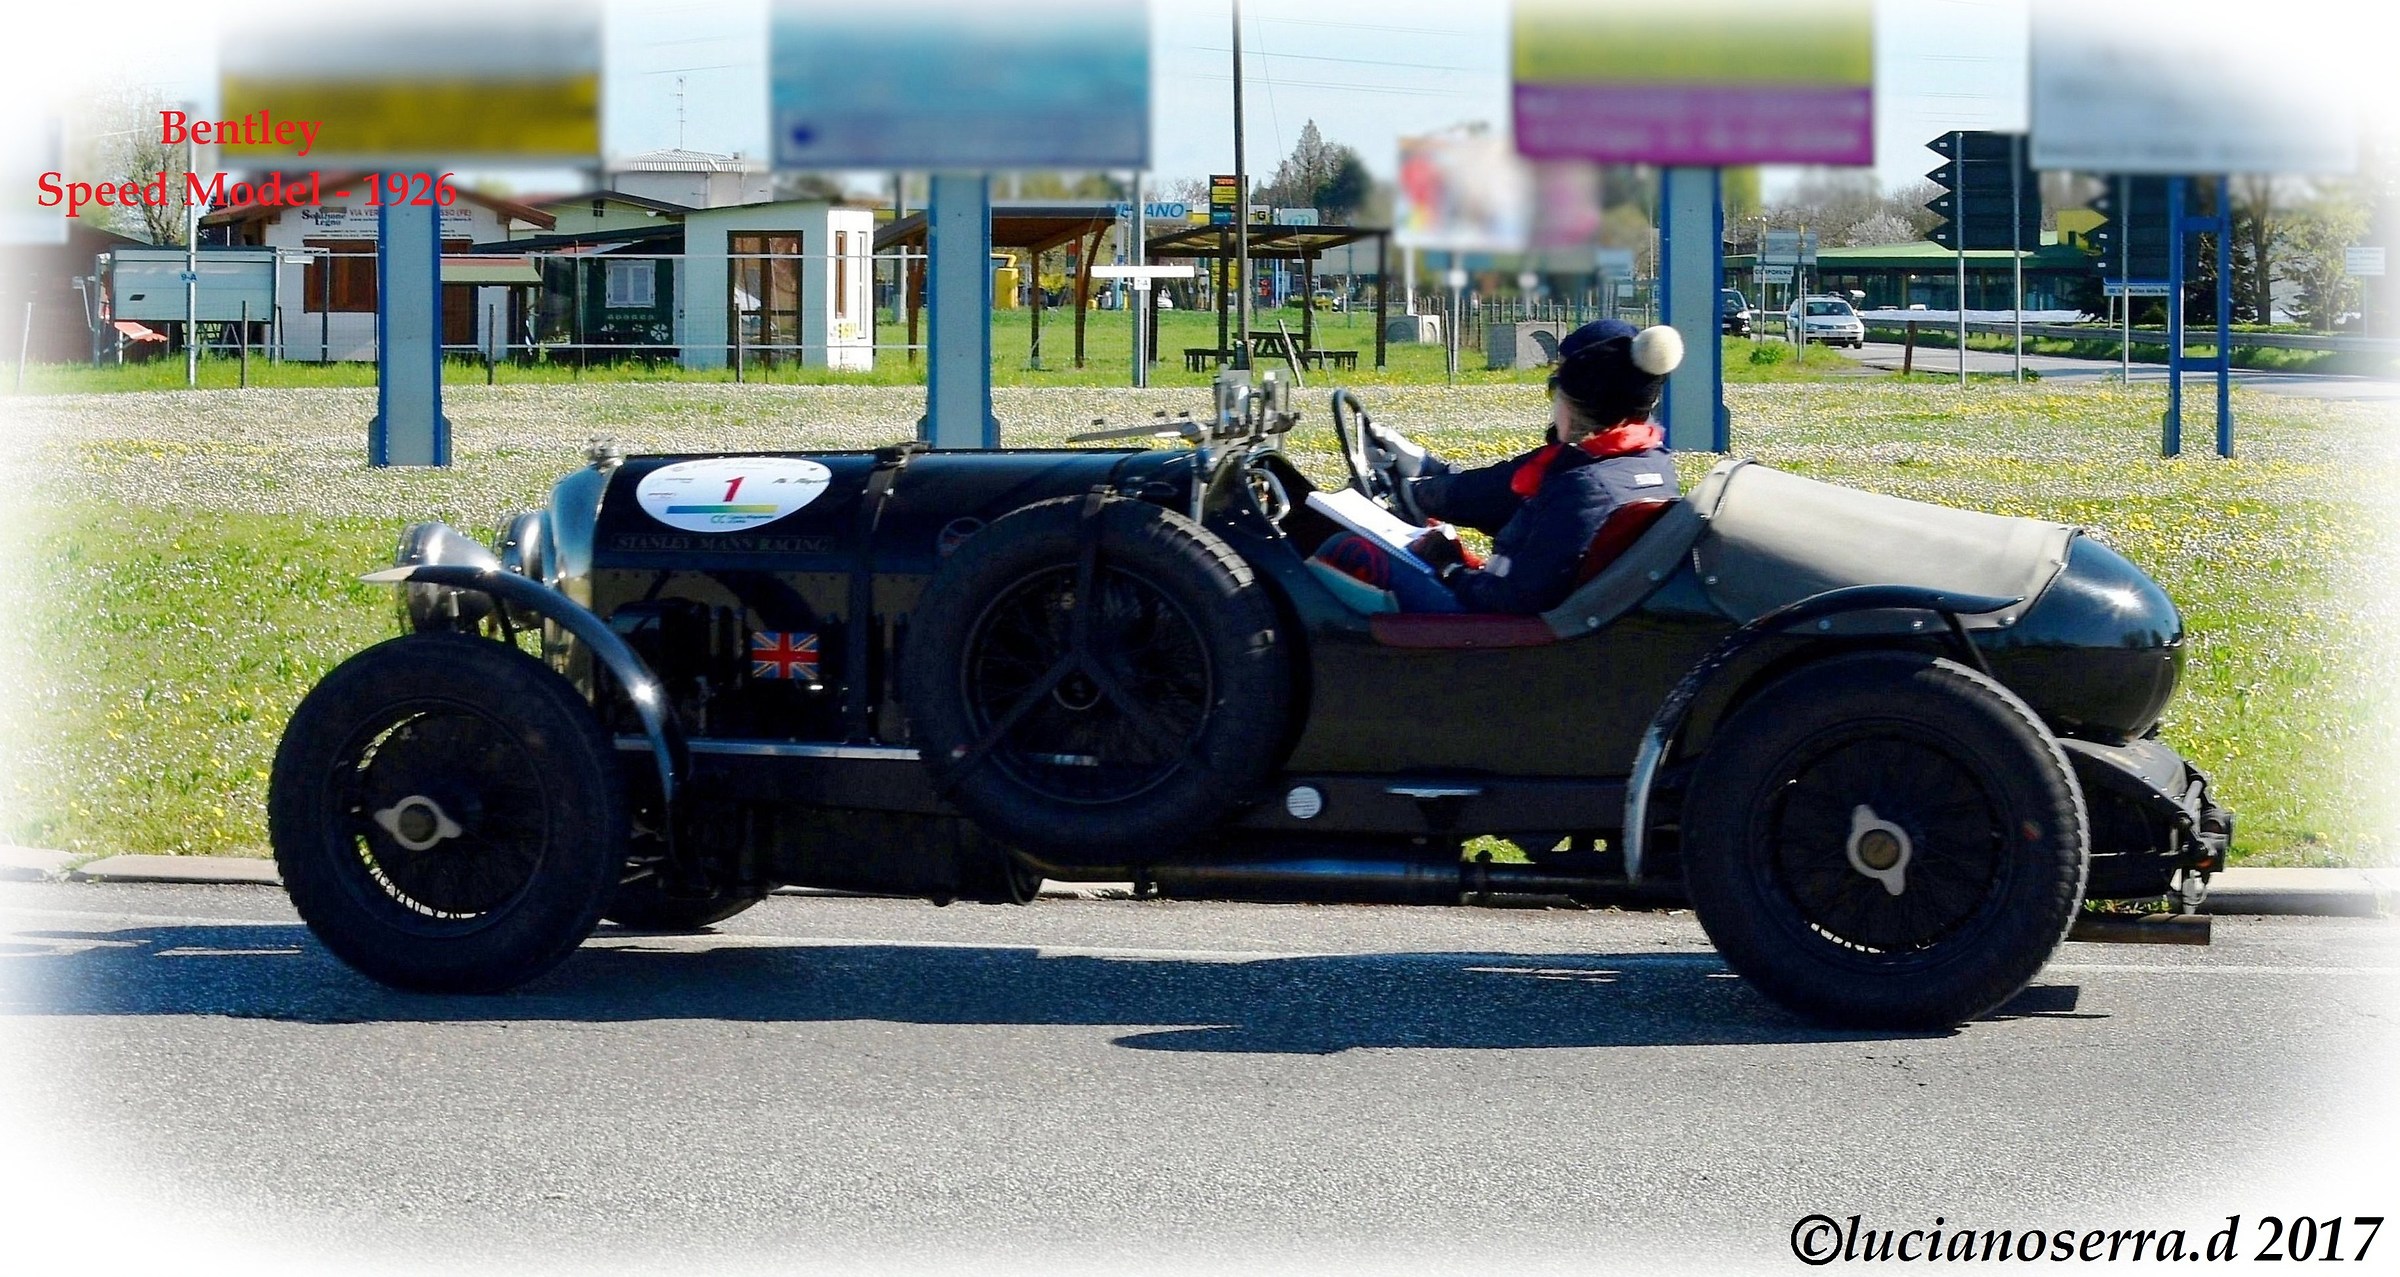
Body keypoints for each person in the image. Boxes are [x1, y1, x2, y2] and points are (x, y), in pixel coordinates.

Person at [1315, 318, 1685, 615]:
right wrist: (1426, 472)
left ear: (1571, 403)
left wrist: (1451, 569)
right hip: (1530, 609)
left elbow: (1516, 598)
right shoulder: (1644, 463)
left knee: (1343, 550)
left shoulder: (1581, 484)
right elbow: (1496, 495)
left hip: (1496, 629)